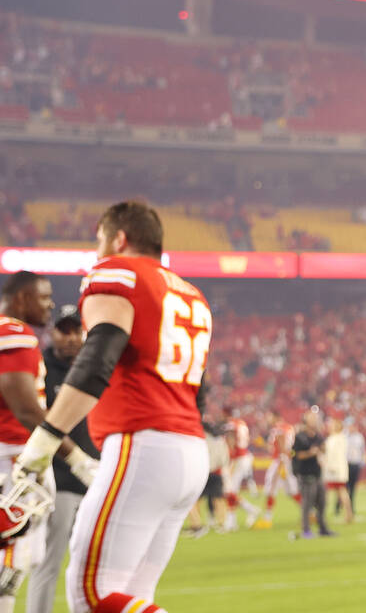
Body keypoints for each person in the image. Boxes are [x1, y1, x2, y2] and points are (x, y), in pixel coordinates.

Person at [13, 201, 210, 613]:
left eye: (99, 239)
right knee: (133, 596)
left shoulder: (118, 274)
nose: (97, 251)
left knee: (92, 593)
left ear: (119, 238)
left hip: (143, 445)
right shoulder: (190, 294)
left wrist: (45, 440)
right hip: (189, 449)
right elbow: (199, 390)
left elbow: (97, 359)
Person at [0, 276, 93, 613]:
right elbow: (26, 410)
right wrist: (77, 458)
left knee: (12, 571)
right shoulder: (13, 333)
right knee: (8, 568)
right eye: (44, 297)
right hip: (11, 459)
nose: (49, 304)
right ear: (23, 298)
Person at [26, 305, 100, 613]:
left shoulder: (96, 366)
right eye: (64, 330)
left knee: (95, 568)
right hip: (60, 481)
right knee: (48, 563)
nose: (70, 338)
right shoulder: (43, 367)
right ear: (53, 332)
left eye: (76, 331)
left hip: (97, 479)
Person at [292, 407, 333, 538]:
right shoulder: (300, 437)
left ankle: (322, 528)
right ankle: (306, 530)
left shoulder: (318, 436)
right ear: (306, 421)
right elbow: (296, 455)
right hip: (305, 474)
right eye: (312, 419)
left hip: (317, 473)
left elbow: (324, 450)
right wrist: (311, 453)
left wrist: (322, 449)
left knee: (322, 501)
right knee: (307, 503)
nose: (315, 421)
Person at [222, 411, 259, 530]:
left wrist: (230, 461)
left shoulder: (231, 424)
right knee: (231, 491)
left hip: (238, 459)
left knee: (229, 490)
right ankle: (232, 520)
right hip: (245, 457)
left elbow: (231, 441)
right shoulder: (241, 423)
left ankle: (247, 512)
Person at [323, 417, 353, 525]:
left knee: (328, 493)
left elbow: (330, 455)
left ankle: (322, 515)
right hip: (340, 469)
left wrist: (328, 465)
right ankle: (349, 514)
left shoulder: (333, 439)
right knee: (342, 491)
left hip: (333, 470)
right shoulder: (342, 438)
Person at [345, 416, 366, 518]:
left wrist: (362, 462)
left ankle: (351, 507)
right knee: (344, 487)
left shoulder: (359, 437)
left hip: (355, 464)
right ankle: (339, 507)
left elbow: (362, 451)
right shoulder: (344, 436)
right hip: (346, 464)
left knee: (352, 487)